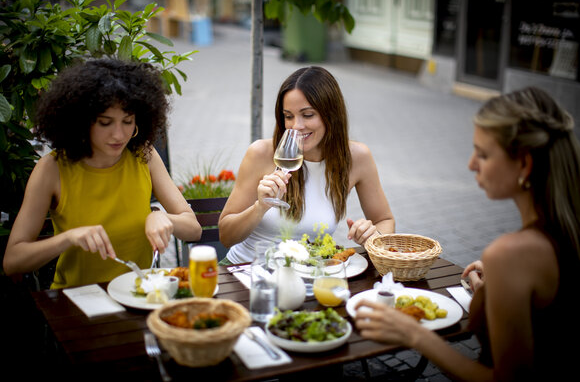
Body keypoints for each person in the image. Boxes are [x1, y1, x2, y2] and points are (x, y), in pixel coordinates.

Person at [354, 86, 580, 380]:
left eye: (483, 154)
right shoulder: (563, 235)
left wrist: (416, 336)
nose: (471, 164)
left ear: (524, 163)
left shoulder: (510, 254)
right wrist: (492, 291)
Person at [3, 58, 202, 289]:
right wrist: (68, 238)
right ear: (82, 121)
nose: (118, 135)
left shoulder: (144, 155)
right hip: (77, 302)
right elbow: (13, 261)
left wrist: (161, 215)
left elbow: (194, 229)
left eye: (127, 121)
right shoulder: (52, 169)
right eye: (105, 123)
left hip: (139, 295)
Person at [218, 66, 395, 264]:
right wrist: (259, 207)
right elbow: (226, 236)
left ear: (331, 114)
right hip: (246, 272)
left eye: (308, 115)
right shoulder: (261, 153)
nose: (296, 126)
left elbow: (385, 220)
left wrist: (374, 235)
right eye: (288, 116)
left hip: (309, 277)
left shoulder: (356, 157)